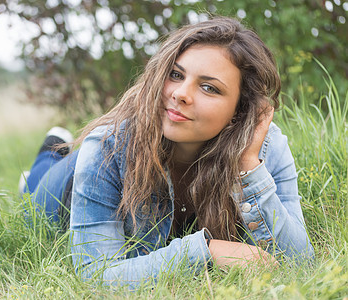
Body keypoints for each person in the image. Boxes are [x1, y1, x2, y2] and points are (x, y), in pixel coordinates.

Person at [20, 16, 314, 287]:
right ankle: (45, 158)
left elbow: (300, 262)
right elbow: (96, 274)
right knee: (37, 184)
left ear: (240, 111)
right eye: (175, 74)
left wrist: (248, 165)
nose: (180, 94)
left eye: (209, 88)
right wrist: (206, 253)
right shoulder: (107, 148)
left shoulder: (265, 146)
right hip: (64, 188)